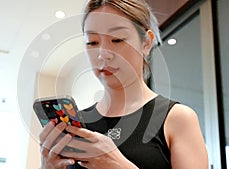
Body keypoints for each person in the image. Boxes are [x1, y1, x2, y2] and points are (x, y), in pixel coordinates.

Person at [39, 0, 209, 168]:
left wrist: (117, 164)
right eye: (92, 42)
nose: (102, 54)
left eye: (117, 40)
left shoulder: (177, 119)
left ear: (146, 42)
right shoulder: (77, 126)